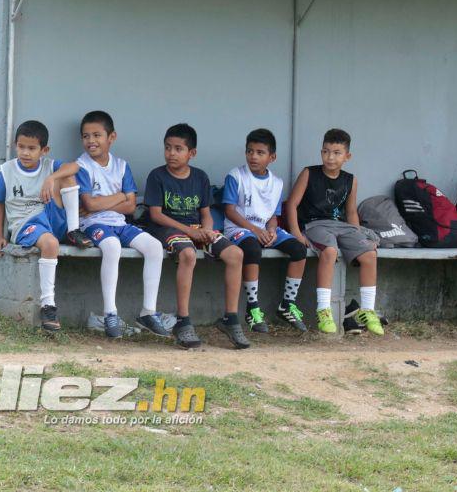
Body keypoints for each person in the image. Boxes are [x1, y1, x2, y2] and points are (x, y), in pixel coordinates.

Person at [143, 124, 247, 350]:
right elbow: (156, 215)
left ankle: (230, 318)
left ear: (192, 153)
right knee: (188, 254)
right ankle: (183, 320)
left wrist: (207, 230)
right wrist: (189, 231)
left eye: (178, 149)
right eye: (168, 147)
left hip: (196, 228)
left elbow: (206, 213)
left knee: (235, 254)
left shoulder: (200, 177)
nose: (171, 153)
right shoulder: (157, 176)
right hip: (166, 229)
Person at [0, 120, 93, 332]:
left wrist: (52, 178)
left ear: (44, 150)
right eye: (21, 147)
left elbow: (75, 167)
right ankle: (48, 305)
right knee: (50, 243)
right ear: (15, 145)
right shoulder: (7, 171)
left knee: (67, 175)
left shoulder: (49, 165)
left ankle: (73, 230)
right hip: (25, 223)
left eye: (32, 148)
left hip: (49, 215)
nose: (25, 153)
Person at [75, 111, 167, 339]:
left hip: (119, 223)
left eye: (97, 135)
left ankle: (148, 312)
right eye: (86, 136)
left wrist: (103, 203)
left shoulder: (121, 166)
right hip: (93, 223)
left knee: (154, 247)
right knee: (112, 246)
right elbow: (89, 204)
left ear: (112, 137)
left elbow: (131, 206)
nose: (91, 141)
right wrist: (119, 196)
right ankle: (110, 314)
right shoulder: (82, 165)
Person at [285, 128, 383, 335]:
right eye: (326, 151)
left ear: (347, 156)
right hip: (314, 225)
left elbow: (351, 212)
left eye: (337, 153)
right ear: (321, 152)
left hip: (342, 226)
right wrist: (296, 233)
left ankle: (367, 310)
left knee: (369, 254)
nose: (330, 157)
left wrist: (359, 236)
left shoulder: (350, 180)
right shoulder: (309, 173)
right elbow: (292, 204)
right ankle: (324, 310)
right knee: (329, 251)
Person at [215, 128, 308, 334]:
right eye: (250, 151)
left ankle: (287, 304)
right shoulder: (236, 176)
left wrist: (272, 230)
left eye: (260, 152)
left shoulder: (277, 183)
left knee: (299, 249)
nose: (253, 157)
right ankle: (253, 308)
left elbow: (273, 215)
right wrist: (255, 230)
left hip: (265, 229)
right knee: (252, 249)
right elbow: (229, 210)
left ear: (272, 157)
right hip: (239, 228)